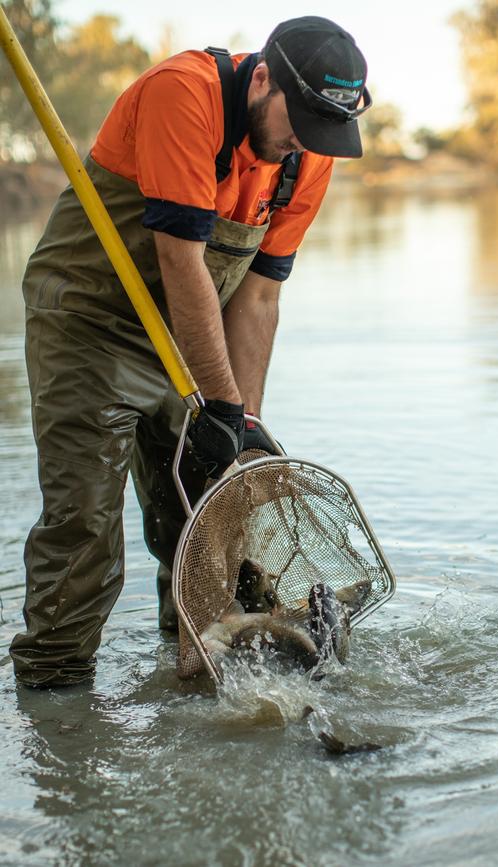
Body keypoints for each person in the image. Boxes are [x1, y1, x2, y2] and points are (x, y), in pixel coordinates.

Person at [10, 16, 372, 688]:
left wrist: (239, 425)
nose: (307, 143)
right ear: (262, 78)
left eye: (325, 129)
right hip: (91, 321)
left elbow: (257, 297)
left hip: (187, 335)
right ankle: (56, 699)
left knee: (214, 526)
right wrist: (221, 398)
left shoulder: (309, 155)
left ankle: (202, 671)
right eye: (301, 122)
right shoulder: (185, 93)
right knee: (85, 522)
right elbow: (182, 262)